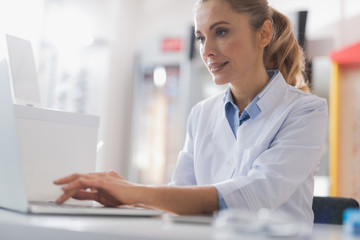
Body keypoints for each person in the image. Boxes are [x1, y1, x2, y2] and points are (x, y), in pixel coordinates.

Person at [54, 0, 327, 224]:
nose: (206, 50)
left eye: (221, 32)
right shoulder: (202, 113)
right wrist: (127, 198)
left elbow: (256, 194)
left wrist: (135, 192)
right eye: (200, 37)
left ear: (263, 34)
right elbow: (180, 196)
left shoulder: (305, 111)